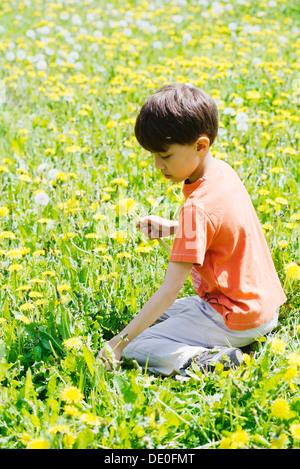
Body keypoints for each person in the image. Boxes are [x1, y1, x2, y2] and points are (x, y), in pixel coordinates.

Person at [100, 83, 286, 376]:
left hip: (235, 318)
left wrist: (117, 344)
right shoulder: (222, 172)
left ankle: (208, 360)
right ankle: (222, 345)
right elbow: (222, 225)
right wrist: (175, 228)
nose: (157, 165)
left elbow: (168, 292)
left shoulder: (196, 209)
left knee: (138, 343)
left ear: (201, 145)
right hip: (262, 307)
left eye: (165, 155)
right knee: (161, 319)